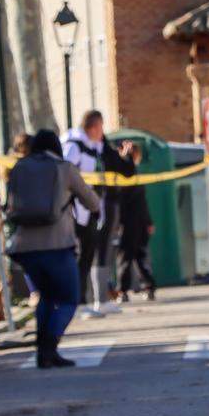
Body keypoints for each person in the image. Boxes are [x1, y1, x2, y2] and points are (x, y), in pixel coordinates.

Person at [5, 129, 103, 368]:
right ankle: (50, 346)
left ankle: (44, 353)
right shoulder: (64, 168)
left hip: (25, 248)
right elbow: (91, 201)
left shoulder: (19, 168)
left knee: (46, 297)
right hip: (58, 245)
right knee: (69, 298)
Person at [62, 110, 137, 317]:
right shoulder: (74, 145)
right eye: (101, 127)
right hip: (75, 210)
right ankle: (78, 302)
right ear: (94, 127)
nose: (103, 132)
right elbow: (66, 175)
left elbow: (121, 169)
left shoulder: (97, 146)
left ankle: (89, 301)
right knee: (79, 256)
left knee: (89, 254)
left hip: (91, 208)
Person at [114, 140, 156, 303]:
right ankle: (146, 287)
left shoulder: (126, 174)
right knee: (138, 256)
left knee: (128, 257)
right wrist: (148, 222)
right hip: (134, 221)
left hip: (129, 222)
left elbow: (140, 202)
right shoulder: (130, 173)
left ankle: (124, 290)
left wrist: (148, 221)